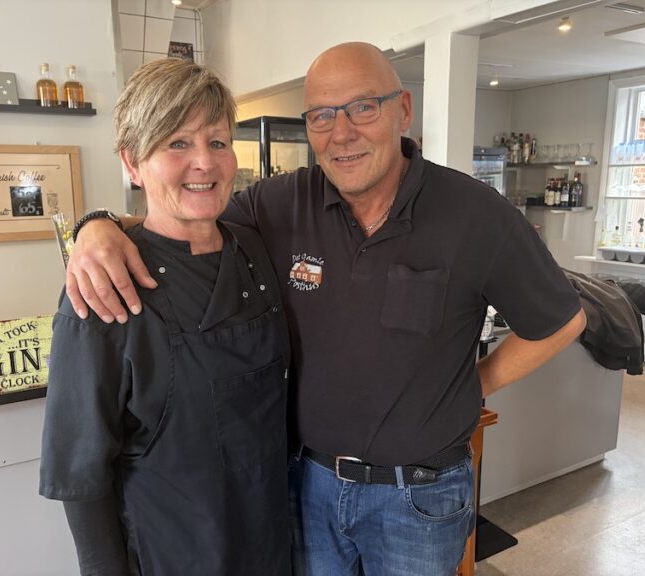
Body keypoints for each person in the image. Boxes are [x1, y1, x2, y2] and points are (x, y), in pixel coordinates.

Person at [65, 43, 587, 575]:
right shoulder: (278, 204)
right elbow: (187, 212)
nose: (342, 133)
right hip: (306, 490)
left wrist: (473, 386)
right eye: (321, 115)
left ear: (404, 110)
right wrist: (96, 226)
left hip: (419, 498)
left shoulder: (477, 214)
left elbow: (563, 322)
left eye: (363, 107)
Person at [39, 57, 291, 576]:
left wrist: (97, 220)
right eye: (177, 143)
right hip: (174, 551)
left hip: (271, 539)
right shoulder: (103, 287)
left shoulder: (255, 248)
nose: (204, 162)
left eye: (217, 142)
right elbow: (82, 471)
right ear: (132, 163)